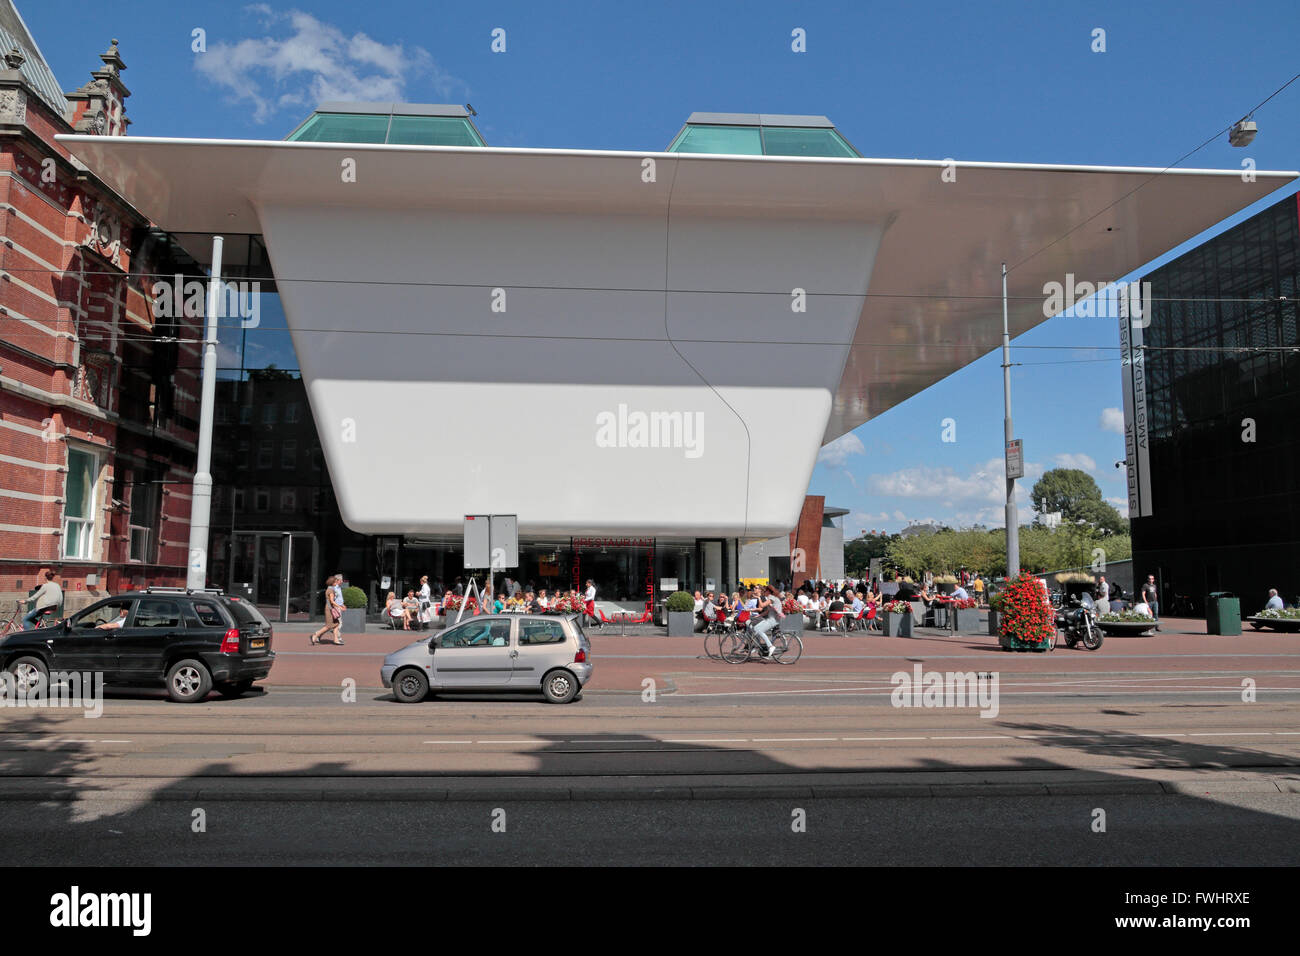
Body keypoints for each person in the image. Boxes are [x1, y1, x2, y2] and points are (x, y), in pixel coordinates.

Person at [310, 575, 344, 645]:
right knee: (328, 626)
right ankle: (315, 635)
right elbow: (332, 601)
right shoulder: (331, 590)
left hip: (331, 608)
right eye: (335, 581)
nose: (337, 582)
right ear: (333, 582)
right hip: (330, 609)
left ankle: (336, 640)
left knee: (337, 624)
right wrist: (339, 607)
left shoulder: (331, 589)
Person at [751, 586, 782, 657]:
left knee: (759, 630)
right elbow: (767, 611)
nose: (764, 593)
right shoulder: (770, 598)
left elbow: (762, 606)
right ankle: (757, 646)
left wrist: (758, 597)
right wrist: (759, 616)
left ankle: (770, 646)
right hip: (770, 619)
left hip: (773, 620)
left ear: (768, 591)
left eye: (765, 591)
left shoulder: (772, 598)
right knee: (755, 628)